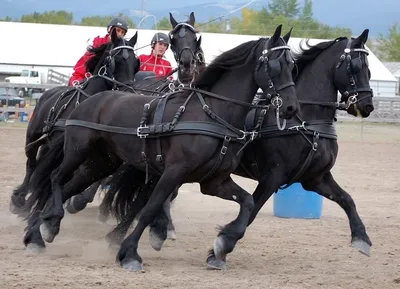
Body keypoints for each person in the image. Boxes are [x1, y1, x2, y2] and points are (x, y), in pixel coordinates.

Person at [68, 17, 129, 86]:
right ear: (110, 30)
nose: (120, 34)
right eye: (118, 30)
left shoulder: (122, 50)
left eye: (122, 32)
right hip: (83, 77)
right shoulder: (97, 42)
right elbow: (88, 62)